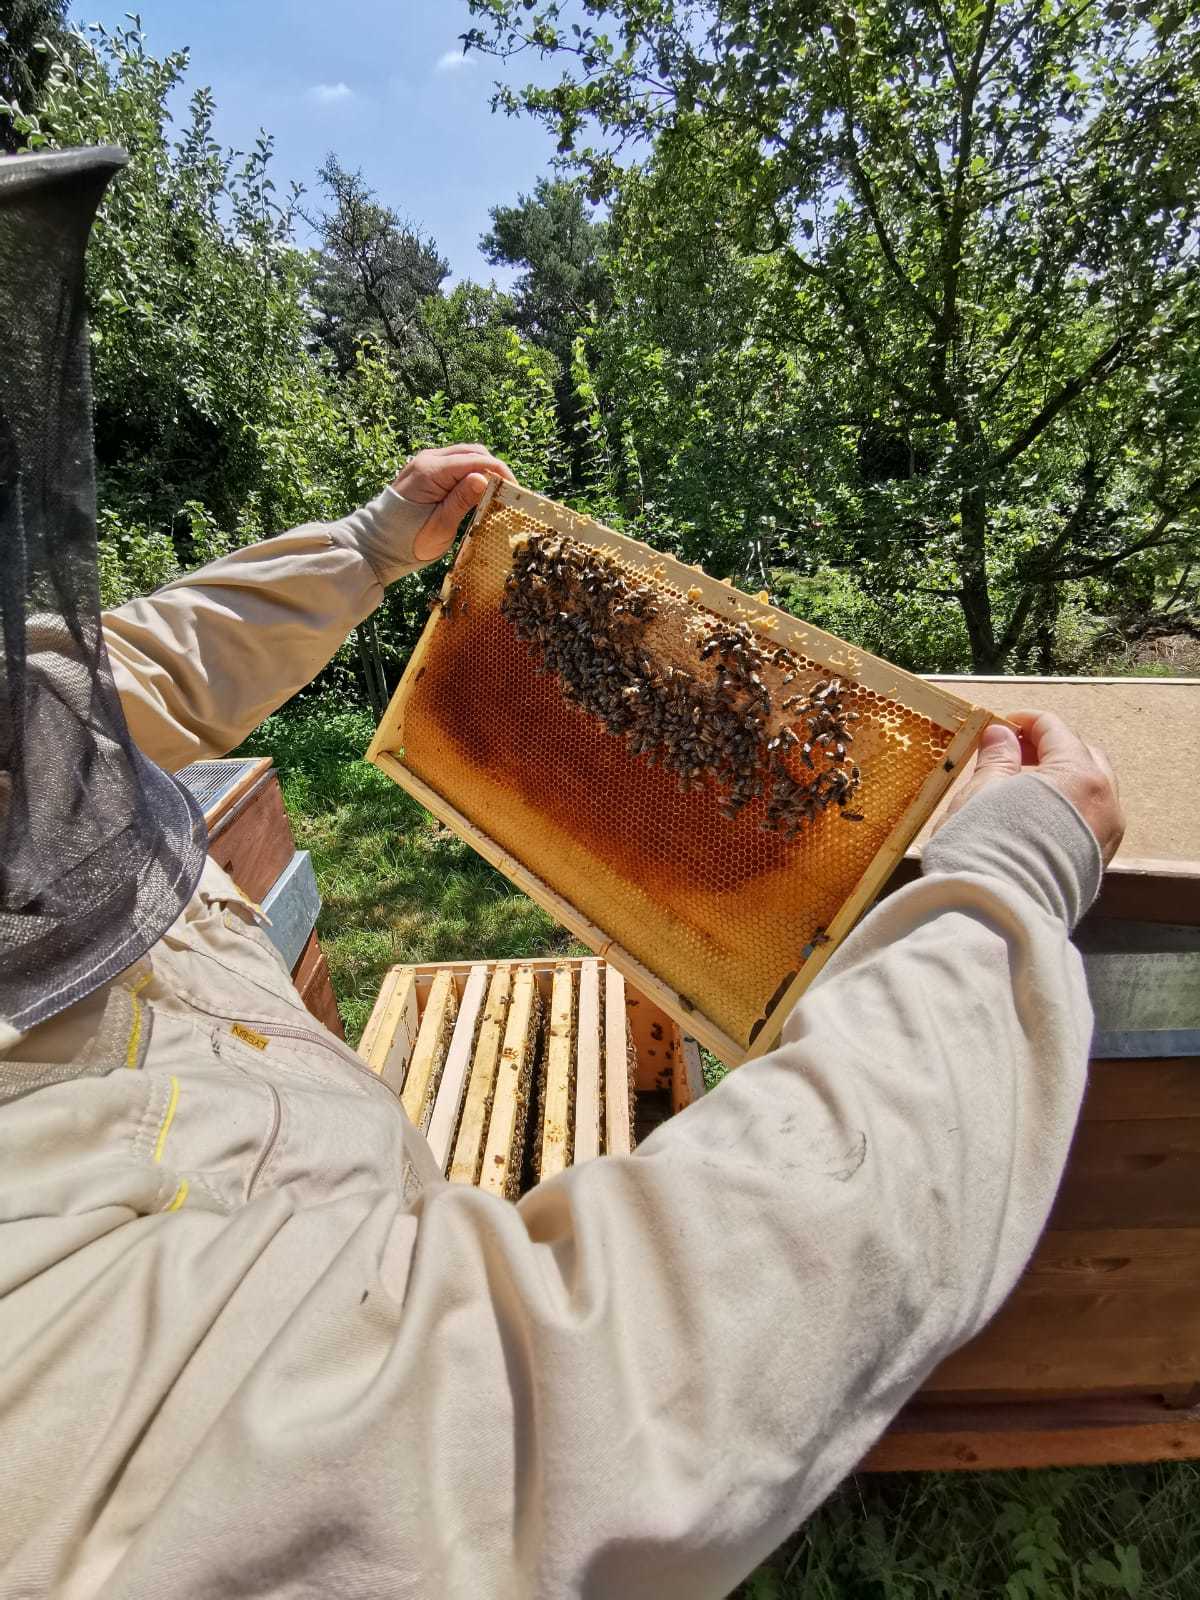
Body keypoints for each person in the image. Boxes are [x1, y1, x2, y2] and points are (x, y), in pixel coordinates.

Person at [2, 148, 1124, 1600]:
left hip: (333, 1184)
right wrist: (1007, 890)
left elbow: (106, 681)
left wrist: (361, 550)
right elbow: (552, 1422)